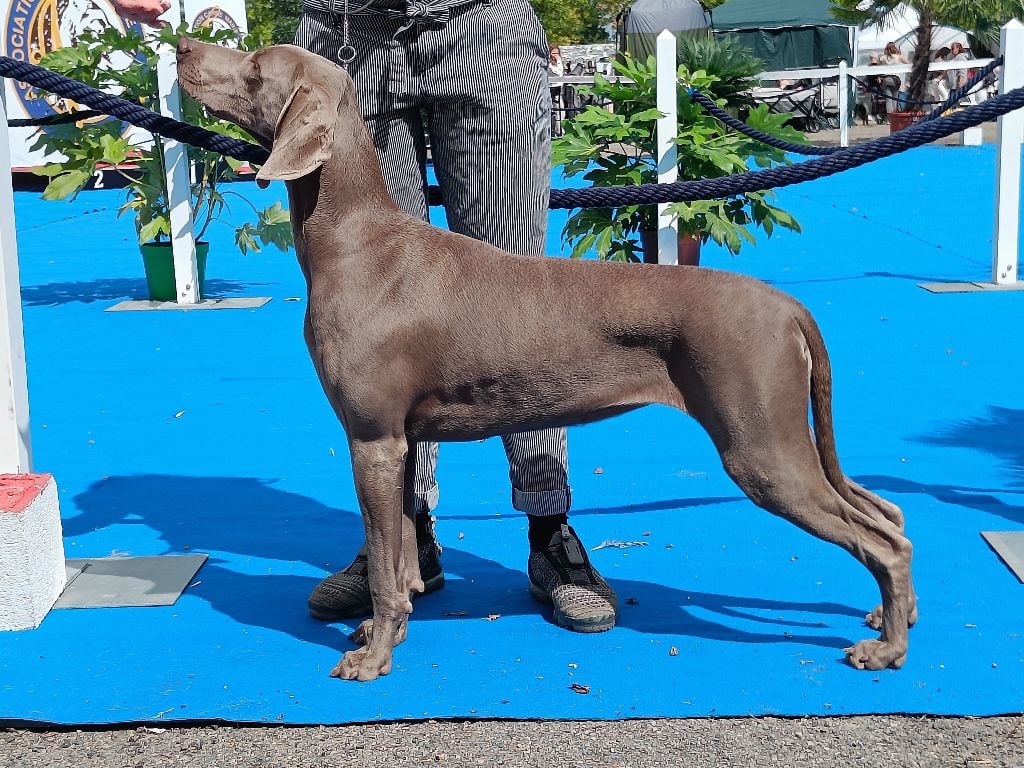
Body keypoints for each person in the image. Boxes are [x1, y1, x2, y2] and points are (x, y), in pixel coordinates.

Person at [113, 0, 618, 633]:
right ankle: (405, 545)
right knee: (380, 314)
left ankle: (549, 529)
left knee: (522, 301)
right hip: (349, 31)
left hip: (480, 28)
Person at [878, 42, 908, 114]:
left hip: (886, 80)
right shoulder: (898, 57)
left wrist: (879, 77)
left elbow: (876, 67)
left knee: (888, 99)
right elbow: (908, 63)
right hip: (895, 80)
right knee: (895, 99)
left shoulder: (882, 58)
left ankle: (889, 116)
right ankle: (894, 115)